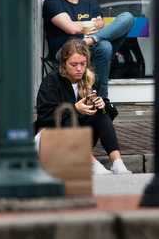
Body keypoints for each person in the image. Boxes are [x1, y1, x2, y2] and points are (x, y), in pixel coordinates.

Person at [34, 38, 130, 175]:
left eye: (82, 64)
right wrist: (75, 108)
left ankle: (117, 163)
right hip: (50, 139)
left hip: (77, 141)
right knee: (69, 115)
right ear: (64, 64)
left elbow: (110, 112)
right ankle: (91, 164)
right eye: (73, 64)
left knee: (100, 114)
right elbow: (44, 117)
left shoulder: (91, 79)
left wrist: (103, 104)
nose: (79, 69)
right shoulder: (52, 81)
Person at [43, 0, 134, 98]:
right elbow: (71, 29)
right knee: (105, 46)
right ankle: (102, 98)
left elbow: (99, 26)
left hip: (90, 49)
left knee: (127, 18)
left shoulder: (91, 4)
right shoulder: (52, 1)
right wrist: (89, 25)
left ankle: (90, 41)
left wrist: (90, 36)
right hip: (64, 52)